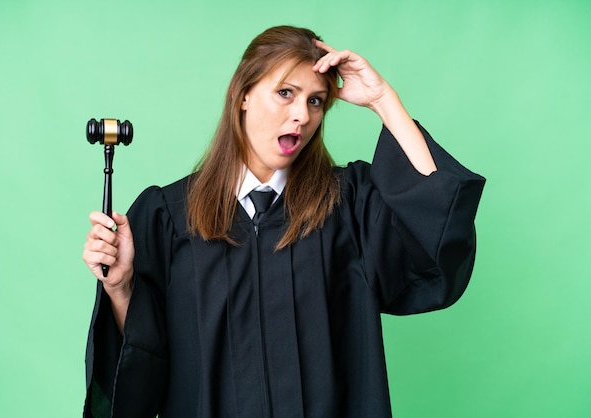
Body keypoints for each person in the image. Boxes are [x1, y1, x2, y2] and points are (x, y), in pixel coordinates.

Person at [82, 25, 485, 418]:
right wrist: (119, 288)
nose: (301, 116)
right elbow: (143, 361)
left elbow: (433, 229)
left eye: (315, 101)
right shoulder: (168, 214)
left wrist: (384, 101)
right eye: (285, 93)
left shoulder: (348, 204)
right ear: (242, 95)